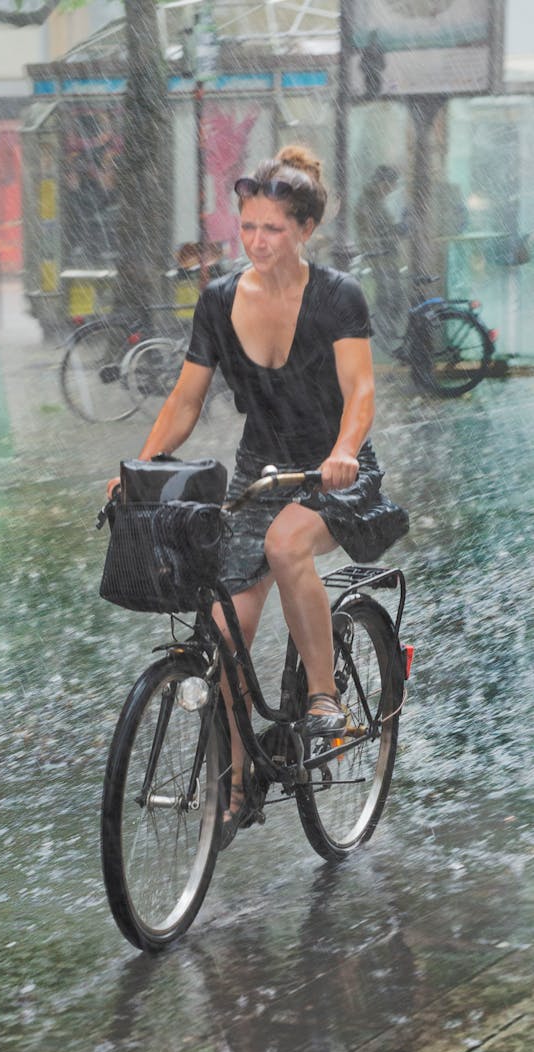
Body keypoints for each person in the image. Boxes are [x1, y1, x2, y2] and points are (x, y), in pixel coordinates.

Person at [107, 145, 407, 847]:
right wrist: (142, 463)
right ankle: (240, 779)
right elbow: (186, 398)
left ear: (304, 229)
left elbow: (361, 391)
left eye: (273, 228)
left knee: (286, 544)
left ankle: (324, 693)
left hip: (335, 472)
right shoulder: (218, 301)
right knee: (222, 625)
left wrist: (340, 450)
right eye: (248, 228)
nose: (258, 242)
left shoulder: (338, 297)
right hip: (260, 473)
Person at [354, 164, 406, 337]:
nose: (390, 191)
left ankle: (385, 330)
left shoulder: (375, 201)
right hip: (378, 257)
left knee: (392, 294)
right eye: (389, 186)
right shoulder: (368, 202)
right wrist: (396, 231)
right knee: (388, 295)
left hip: (383, 256)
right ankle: (383, 331)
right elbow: (373, 232)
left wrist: (397, 229)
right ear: (381, 183)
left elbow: (383, 229)